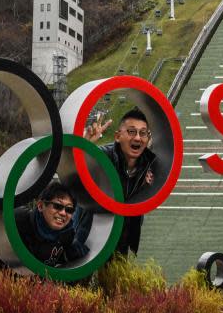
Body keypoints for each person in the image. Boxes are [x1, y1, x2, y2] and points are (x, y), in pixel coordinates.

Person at [82, 107, 156, 256]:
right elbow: (78, 167)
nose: (137, 138)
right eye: (131, 131)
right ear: (117, 136)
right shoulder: (104, 156)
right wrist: (85, 145)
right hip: (90, 234)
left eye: (143, 133)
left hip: (122, 236)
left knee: (114, 276)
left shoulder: (149, 164)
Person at [14, 182, 85, 267]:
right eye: (57, 206)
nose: (63, 213)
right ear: (40, 206)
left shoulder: (68, 236)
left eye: (69, 209)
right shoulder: (18, 222)